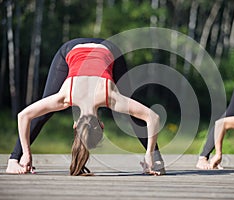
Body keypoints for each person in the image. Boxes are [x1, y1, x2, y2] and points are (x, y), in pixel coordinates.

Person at [6, 38, 165, 175]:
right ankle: (155, 161)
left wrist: (26, 154)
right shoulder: (66, 97)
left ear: (101, 125)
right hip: (96, 48)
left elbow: (23, 115)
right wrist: (149, 154)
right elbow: (23, 116)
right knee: (132, 114)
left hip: (91, 48)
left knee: (44, 113)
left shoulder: (107, 97)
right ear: (75, 125)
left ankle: (16, 158)